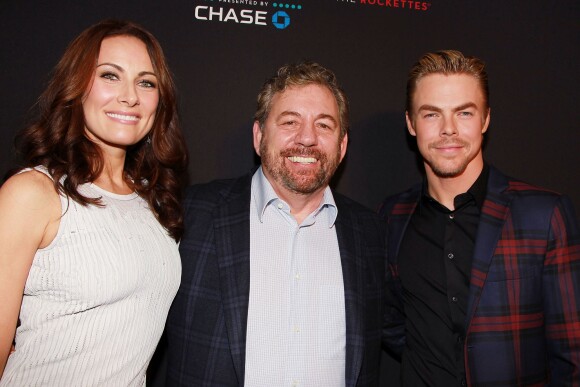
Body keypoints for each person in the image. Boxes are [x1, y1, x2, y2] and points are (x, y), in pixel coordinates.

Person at [166, 62, 385, 386]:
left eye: (324, 125)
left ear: (342, 146)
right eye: (289, 122)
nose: (307, 138)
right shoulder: (192, 214)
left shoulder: (369, 233)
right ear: (259, 136)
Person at [0, 19, 187, 385]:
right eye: (109, 76)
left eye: (146, 82)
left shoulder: (154, 203)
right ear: (76, 86)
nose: (129, 96)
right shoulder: (33, 194)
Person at [379, 49, 580, 386]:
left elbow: (573, 355)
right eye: (431, 115)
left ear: (486, 119)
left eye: (464, 113)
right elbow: (392, 323)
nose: (448, 129)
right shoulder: (391, 218)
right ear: (411, 124)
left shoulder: (544, 215)